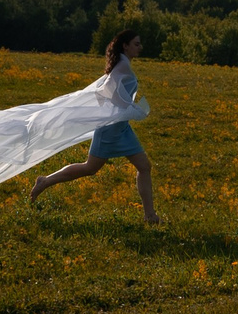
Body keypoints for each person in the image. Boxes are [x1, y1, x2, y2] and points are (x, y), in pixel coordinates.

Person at [28, 29, 160, 224]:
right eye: (136, 44)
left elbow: (111, 95)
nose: (140, 48)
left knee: (144, 166)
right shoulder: (123, 65)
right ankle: (45, 181)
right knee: (90, 168)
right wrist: (132, 109)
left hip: (121, 127)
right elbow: (107, 93)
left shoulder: (122, 64)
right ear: (125, 46)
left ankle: (150, 216)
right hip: (109, 129)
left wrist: (129, 110)